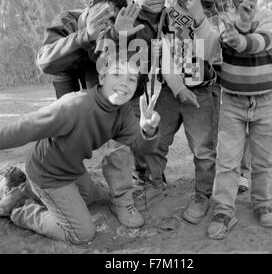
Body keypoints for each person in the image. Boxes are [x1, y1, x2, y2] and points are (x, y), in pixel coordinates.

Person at [0, 55, 160, 244]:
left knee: (89, 198)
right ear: (102, 78)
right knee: (81, 234)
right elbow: (26, 126)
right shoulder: (75, 105)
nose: (124, 83)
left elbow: (140, 146)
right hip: (48, 173)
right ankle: (21, 210)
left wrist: (148, 132)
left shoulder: (123, 111)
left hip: (72, 169)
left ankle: (25, 191)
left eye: (131, 79)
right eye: (117, 74)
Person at [36, 0, 147, 228]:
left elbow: (128, 81)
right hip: (65, 70)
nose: (105, 24)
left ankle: (122, 198)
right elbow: (44, 61)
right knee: (67, 128)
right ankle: (54, 182)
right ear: (88, 7)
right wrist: (85, 35)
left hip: (97, 68)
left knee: (115, 119)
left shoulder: (120, 30)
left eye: (112, 21)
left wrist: (118, 36)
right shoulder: (66, 21)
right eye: (101, 16)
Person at [134, 0, 219, 223]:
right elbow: (165, 57)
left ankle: (202, 195)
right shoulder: (167, 16)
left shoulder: (214, 13)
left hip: (202, 93)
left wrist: (197, 14)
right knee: (156, 139)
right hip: (172, 90)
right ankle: (154, 182)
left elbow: (210, 51)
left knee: (203, 149)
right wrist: (179, 87)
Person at [207, 0, 272, 239]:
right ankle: (224, 210)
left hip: (265, 102)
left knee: (263, 159)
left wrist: (244, 32)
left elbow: (260, 42)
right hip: (234, 103)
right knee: (227, 161)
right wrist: (237, 30)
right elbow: (223, 45)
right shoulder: (223, 20)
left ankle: (262, 202)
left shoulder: (270, 16)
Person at [98, 0, 169, 188]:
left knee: (154, 135)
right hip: (125, 93)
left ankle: (151, 176)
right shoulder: (128, 18)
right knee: (126, 142)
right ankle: (129, 184)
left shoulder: (170, 18)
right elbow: (101, 51)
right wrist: (118, 34)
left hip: (151, 92)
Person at [193, 0, 251, 194]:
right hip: (207, 76)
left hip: (235, 73)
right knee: (213, 128)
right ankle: (219, 172)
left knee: (240, 125)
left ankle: (242, 173)